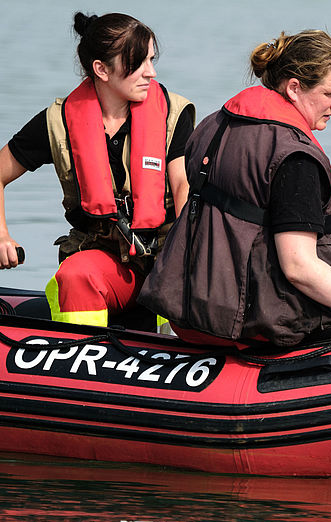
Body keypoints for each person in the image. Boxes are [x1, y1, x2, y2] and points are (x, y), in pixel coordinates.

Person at [139, 30, 331, 347]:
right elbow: (299, 268)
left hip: (190, 314)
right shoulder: (294, 158)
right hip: (256, 325)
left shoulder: (213, 125)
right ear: (294, 88)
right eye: (330, 93)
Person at [0, 12, 195, 328]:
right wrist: (2, 235)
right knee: (75, 276)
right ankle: (82, 349)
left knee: (182, 274)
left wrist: (188, 258)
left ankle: (173, 345)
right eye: (139, 63)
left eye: (151, 60)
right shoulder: (58, 122)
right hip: (105, 263)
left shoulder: (173, 115)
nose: (151, 72)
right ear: (101, 69)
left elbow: (184, 187)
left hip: (167, 262)